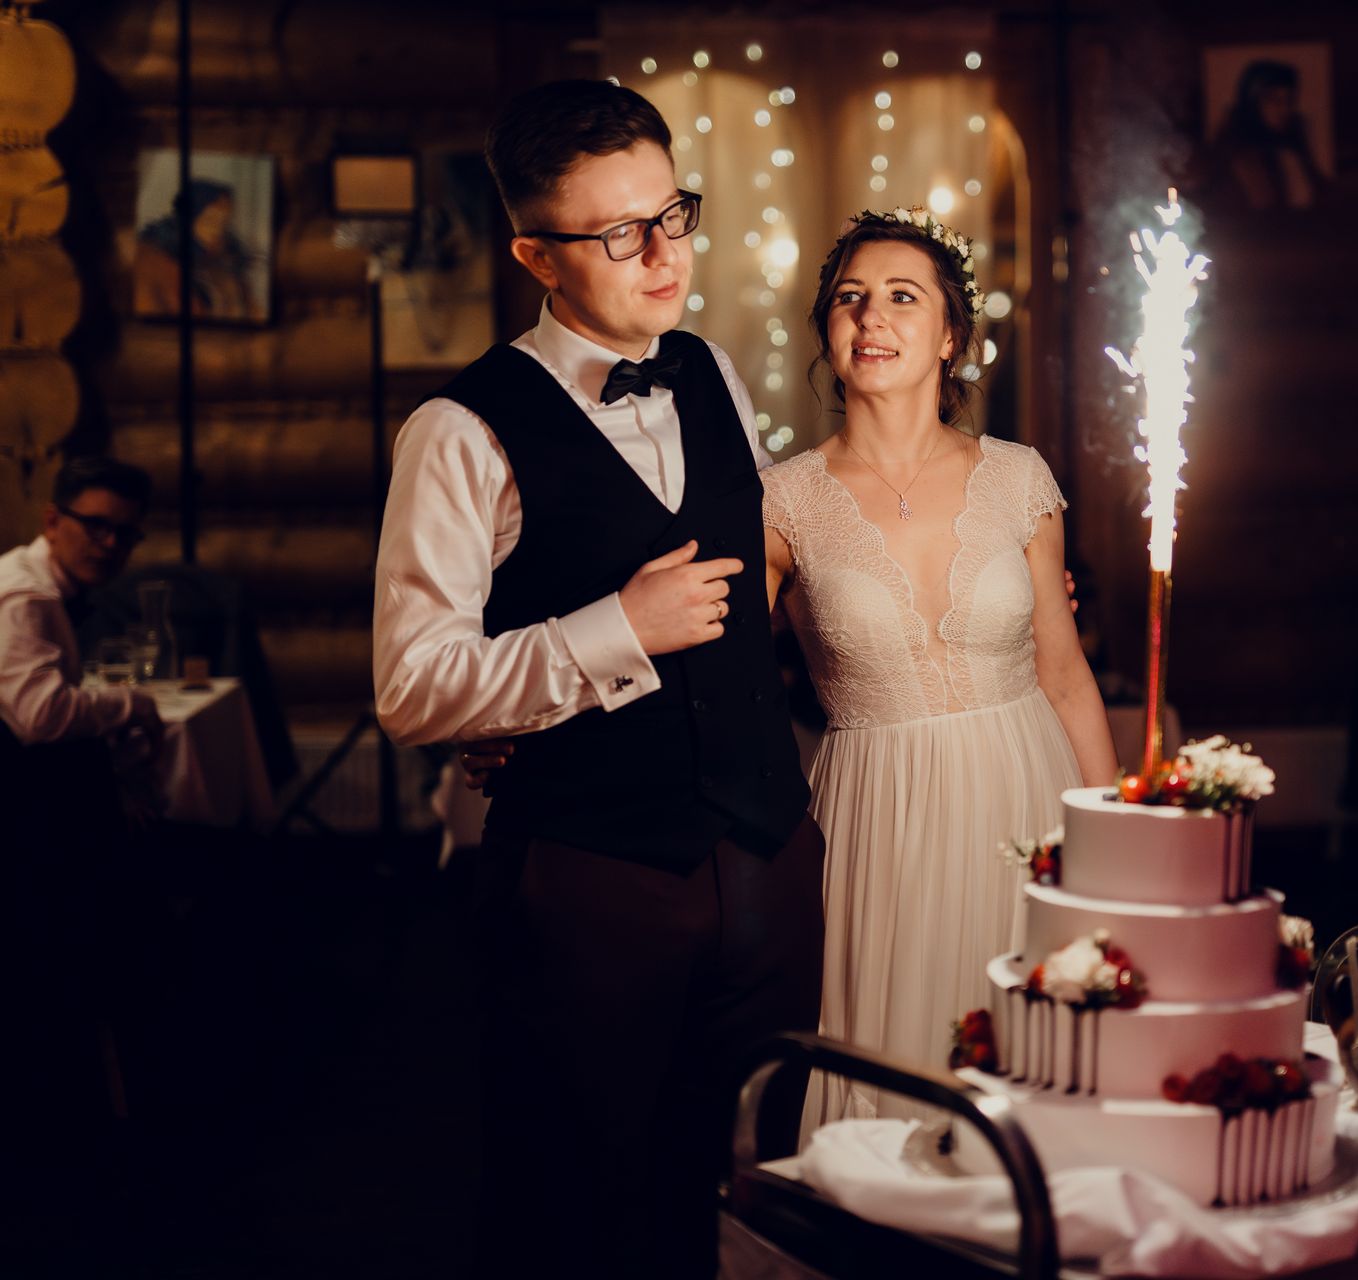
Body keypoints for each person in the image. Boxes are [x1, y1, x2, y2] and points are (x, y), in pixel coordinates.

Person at [370, 79, 821, 1279]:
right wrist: (615, 629)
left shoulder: (711, 369)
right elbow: (412, 684)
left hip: (769, 852)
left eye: (672, 213)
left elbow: (772, 561)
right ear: (536, 254)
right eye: (621, 233)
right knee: (580, 1193)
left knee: (757, 1176)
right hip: (591, 875)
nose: (665, 253)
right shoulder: (459, 431)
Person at [762, 208, 1119, 1120]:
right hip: (875, 815)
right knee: (889, 1066)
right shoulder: (780, 503)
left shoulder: (1020, 478)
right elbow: (720, 683)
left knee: (1037, 1053)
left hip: (1026, 790)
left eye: (901, 297)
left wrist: (1118, 842)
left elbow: (1065, 676)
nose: (870, 317)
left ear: (951, 336)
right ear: (827, 332)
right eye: (850, 298)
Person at [0, 456, 163, 754]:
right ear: (52, 522)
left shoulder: (38, 579)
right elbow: (42, 715)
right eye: (96, 525)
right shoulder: (27, 595)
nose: (111, 543)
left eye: (126, 533)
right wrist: (133, 704)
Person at [1208, 59, 1328, 214]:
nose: (1284, 109)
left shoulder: (1293, 145)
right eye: (1274, 100)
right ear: (1253, 103)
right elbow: (1262, 206)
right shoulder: (1239, 153)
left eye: (1288, 100)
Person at [131, 178, 258, 322]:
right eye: (209, 220)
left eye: (224, 221)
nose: (218, 230)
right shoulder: (158, 260)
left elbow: (254, 311)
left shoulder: (229, 258)